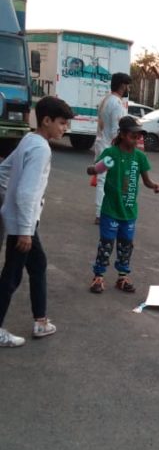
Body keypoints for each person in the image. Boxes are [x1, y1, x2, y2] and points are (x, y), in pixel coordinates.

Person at [0, 96, 74, 348]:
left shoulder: (29, 140)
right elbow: (26, 193)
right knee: (11, 277)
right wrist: (24, 230)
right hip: (23, 224)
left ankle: (41, 321)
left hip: (22, 220)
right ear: (46, 120)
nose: (65, 128)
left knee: (37, 265)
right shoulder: (41, 148)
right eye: (62, 123)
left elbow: (4, 170)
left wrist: (5, 200)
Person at [88, 115, 159, 294]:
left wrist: (154, 186)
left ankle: (122, 277)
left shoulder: (140, 157)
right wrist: (94, 168)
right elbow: (95, 169)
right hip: (111, 210)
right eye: (133, 136)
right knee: (106, 244)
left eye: (139, 136)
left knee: (126, 245)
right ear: (122, 135)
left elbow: (146, 180)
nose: (136, 139)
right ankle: (98, 277)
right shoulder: (111, 153)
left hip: (129, 211)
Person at [93, 72, 131, 223]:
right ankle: (101, 213)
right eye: (128, 85)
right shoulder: (116, 103)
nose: (128, 88)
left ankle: (100, 212)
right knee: (107, 181)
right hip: (110, 147)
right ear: (122, 85)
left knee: (103, 180)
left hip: (101, 144)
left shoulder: (105, 100)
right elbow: (117, 130)